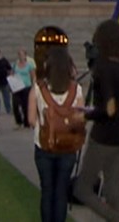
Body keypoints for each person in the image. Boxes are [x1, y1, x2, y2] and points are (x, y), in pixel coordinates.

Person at [74, 19, 119, 222]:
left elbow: (109, 109)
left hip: (104, 136)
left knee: (82, 189)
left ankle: (116, 219)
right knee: (112, 189)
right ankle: (117, 216)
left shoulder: (104, 67)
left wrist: (85, 115)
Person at [29, 46, 84, 222]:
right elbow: (80, 118)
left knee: (47, 191)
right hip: (68, 146)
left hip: (44, 145)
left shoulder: (38, 88)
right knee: (61, 191)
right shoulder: (76, 89)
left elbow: (31, 120)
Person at [12, 49, 36, 129]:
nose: (20, 56)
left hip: (26, 87)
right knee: (15, 104)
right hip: (17, 87)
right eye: (19, 54)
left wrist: (33, 86)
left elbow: (33, 76)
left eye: (22, 55)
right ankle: (18, 122)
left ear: (25, 56)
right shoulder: (15, 65)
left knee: (25, 105)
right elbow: (12, 74)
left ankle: (26, 122)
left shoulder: (29, 65)